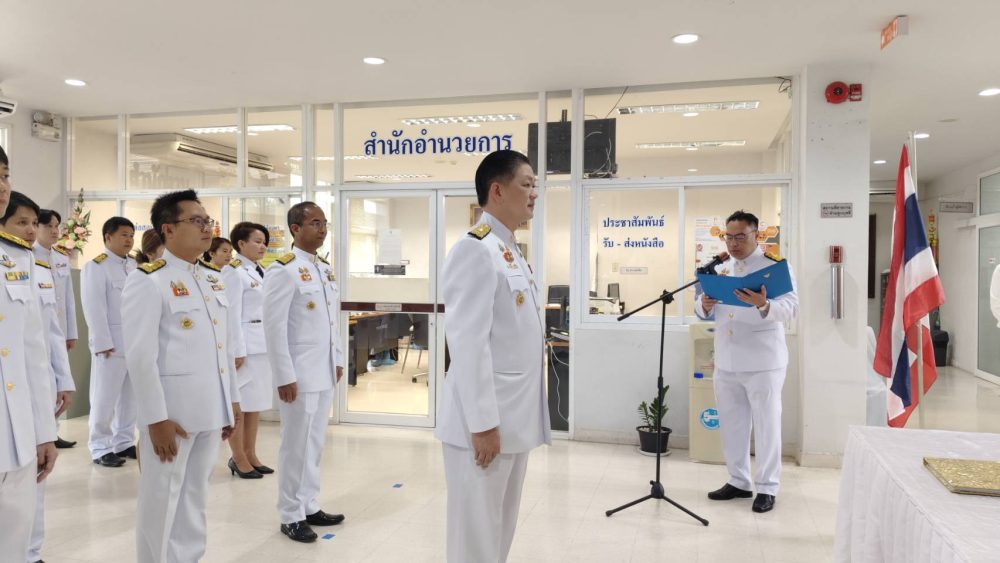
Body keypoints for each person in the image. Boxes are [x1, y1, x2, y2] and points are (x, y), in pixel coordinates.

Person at [436, 150, 551, 562]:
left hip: (512, 419)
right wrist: (483, 424)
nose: (534, 193)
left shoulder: (508, 248)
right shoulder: (475, 249)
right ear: (497, 190)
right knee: (476, 537)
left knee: (499, 529)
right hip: (484, 425)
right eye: (526, 184)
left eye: (535, 185)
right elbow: (468, 344)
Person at [122, 189, 241, 562]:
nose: (206, 228)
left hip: (209, 411)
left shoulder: (211, 277)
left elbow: (222, 348)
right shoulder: (149, 280)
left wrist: (230, 402)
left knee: (194, 500)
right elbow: (140, 357)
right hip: (171, 417)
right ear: (168, 229)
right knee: (161, 502)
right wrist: (155, 419)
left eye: (208, 221)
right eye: (196, 221)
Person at [695, 210, 798, 514]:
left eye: (740, 236)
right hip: (727, 360)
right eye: (729, 237)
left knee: (767, 426)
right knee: (732, 424)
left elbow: (791, 308)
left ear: (756, 235)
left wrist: (764, 304)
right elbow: (702, 309)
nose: (734, 243)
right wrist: (703, 304)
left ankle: (767, 487)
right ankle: (739, 480)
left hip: (763, 362)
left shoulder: (774, 267)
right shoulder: (722, 268)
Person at [1, 192, 75, 563]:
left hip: (17, 420)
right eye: (23, 222)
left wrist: (45, 431)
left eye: (5, 175)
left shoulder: (21, 261)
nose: (31, 230)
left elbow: (37, 346)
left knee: (16, 525)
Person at [264, 202, 345, 543]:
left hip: (322, 370)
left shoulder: (323, 268)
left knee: (314, 443)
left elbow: (330, 321)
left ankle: (309, 504)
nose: (322, 229)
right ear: (295, 229)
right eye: (314, 223)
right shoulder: (283, 269)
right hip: (299, 374)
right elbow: (274, 327)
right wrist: (284, 375)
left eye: (324, 223)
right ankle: (290, 514)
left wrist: (337, 358)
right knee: (295, 445)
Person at [81, 216, 138, 467]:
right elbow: (94, 307)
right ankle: (100, 446)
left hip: (134, 343)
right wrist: (101, 341)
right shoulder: (96, 267)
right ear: (108, 237)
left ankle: (124, 441)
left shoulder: (135, 266)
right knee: (103, 399)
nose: (129, 240)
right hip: (111, 345)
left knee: (130, 398)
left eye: (131, 235)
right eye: (124, 235)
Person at [221, 222, 273, 479]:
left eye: (264, 242)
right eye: (257, 241)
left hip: (261, 345)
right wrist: (236, 350)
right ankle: (237, 457)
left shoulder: (260, 270)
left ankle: (251, 453)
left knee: (255, 404)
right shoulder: (233, 272)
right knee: (240, 405)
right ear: (241, 244)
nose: (262, 247)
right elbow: (231, 314)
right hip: (245, 347)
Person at [34, 209, 79, 448]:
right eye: (48, 226)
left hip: (59, 331)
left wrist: (71, 333)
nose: (54, 231)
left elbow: (68, 300)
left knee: (59, 381)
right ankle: (44, 429)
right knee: (44, 381)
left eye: (57, 226)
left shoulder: (61, 258)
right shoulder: (29, 256)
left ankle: (54, 428)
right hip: (40, 331)